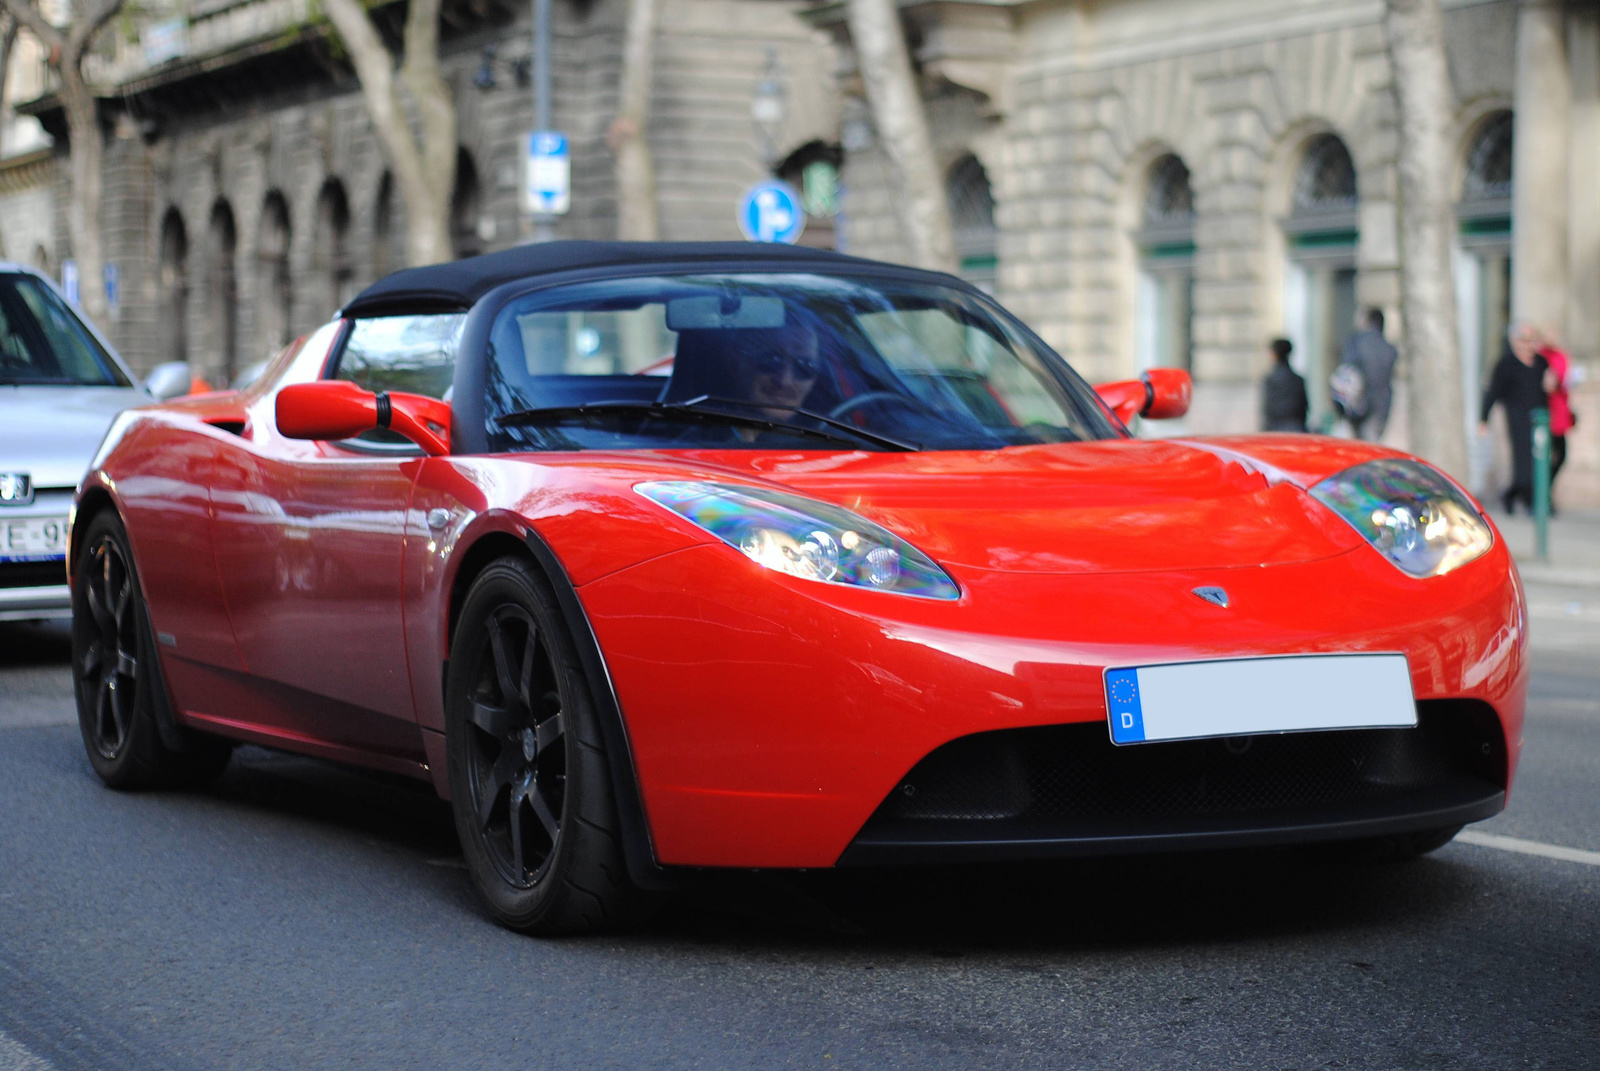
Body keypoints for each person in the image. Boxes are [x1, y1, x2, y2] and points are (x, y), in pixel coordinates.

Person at [1479, 323, 1550, 514]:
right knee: (1523, 461)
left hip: (1540, 418)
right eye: (1524, 341)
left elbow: (1550, 388)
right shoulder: (1506, 364)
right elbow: (1493, 392)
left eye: (1531, 340)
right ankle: (1523, 498)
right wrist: (1483, 419)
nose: (1528, 345)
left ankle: (1520, 496)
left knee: (1541, 458)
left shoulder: (1541, 362)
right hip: (1516, 416)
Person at [1337, 307, 1398, 441]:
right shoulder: (1389, 349)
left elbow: (1346, 372)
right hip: (1380, 408)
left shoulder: (1355, 343)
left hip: (1356, 404)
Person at [1536, 328, 1574, 499]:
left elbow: (1565, 379)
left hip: (1560, 413)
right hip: (1546, 414)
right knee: (1543, 457)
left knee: (1561, 456)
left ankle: (1545, 491)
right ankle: (1542, 495)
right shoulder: (1541, 357)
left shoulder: (1561, 356)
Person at [1261, 337, 1308, 432]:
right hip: (1297, 428)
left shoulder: (1270, 380)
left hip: (1275, 430)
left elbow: (1267, 410)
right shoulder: (1298, 379)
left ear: (1274, 354)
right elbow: (1305, 407)